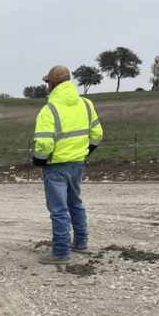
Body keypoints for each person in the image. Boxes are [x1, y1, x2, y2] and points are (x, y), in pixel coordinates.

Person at [33, 65, 103, 263]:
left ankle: (61, 252)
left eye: (48, 82)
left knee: (58, 210)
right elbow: (97, 135)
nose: (47, 85)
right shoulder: (86, 104)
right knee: (76, 204)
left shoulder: (49, 109)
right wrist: (85, 151)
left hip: (56, 166)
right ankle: (81, 242)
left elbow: (44, 143)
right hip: (77, 164)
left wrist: (39, 160)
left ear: (53, 83)